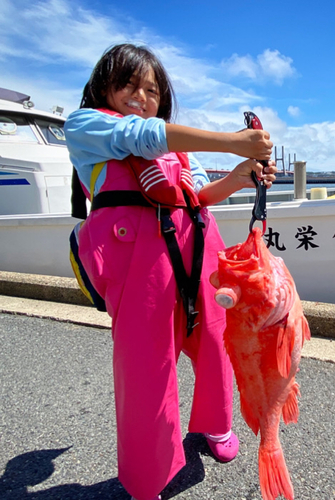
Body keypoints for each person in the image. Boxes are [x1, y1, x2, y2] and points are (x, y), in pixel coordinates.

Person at [64, 43, 276, 500]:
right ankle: (146, 476)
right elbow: (141, 136)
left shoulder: (180, 153)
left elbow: (199, 194)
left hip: (200, 258)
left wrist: (241, 173)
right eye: (129, 85)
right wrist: (231, 140)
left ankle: (215, 424)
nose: (141, 96)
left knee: (217, 345)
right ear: (104, 87)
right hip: (142, 274)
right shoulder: (86, 127)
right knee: (147, 372)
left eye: (152, 90)